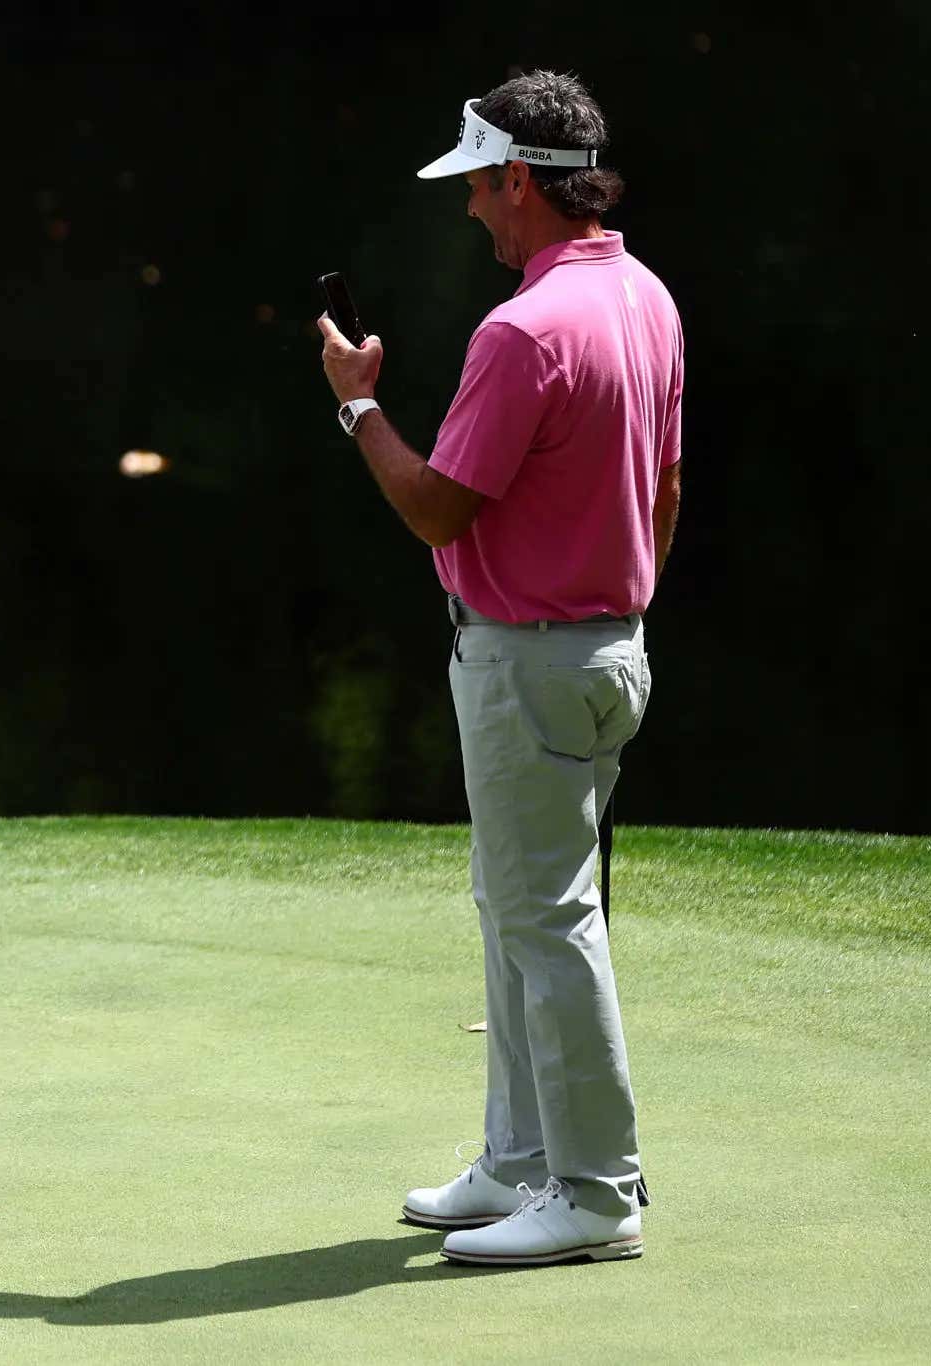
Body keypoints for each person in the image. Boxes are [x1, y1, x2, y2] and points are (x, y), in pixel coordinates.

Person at [317, 71, 682, 1265]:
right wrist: (614, 610)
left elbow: (433, 508)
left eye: (477, 185)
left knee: (546, 921)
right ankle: (519, 1160)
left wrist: (358, 411)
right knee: (516, 910)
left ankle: (595, 1190)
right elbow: (663, 489)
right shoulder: (644, 296)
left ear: (518, 179)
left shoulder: (522, 328)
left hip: (529, 659)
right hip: (603, 647)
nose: (470, 208)